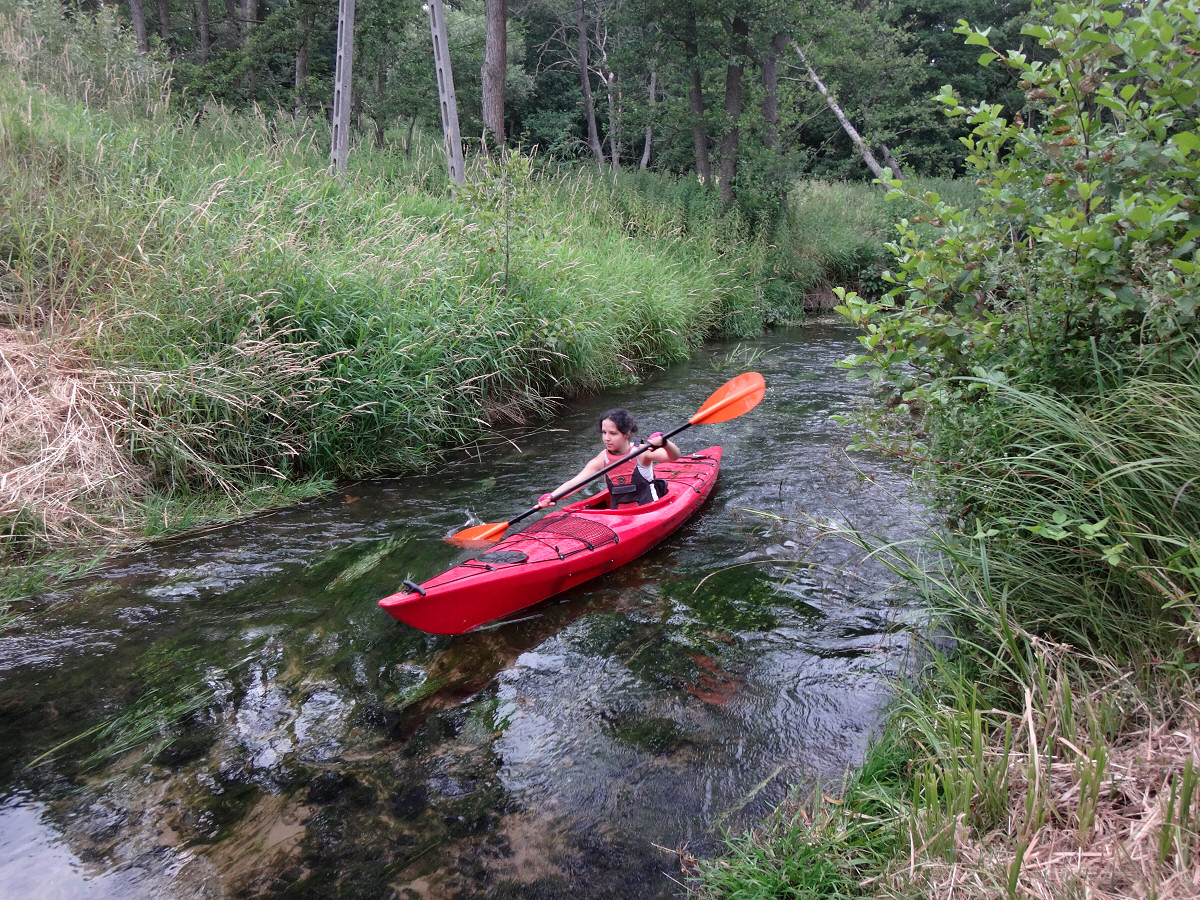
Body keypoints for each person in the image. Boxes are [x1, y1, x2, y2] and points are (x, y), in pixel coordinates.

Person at [537, 408, 681, 509]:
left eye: (613, 433)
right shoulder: (602, 459)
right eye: (604, 432)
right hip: (617, 518)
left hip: (649, 511)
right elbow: (577, 482)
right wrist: (552, 496)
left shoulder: (641, 453)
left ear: (627, 433)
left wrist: (665, 443)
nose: (606, 438)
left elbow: (674, 456)